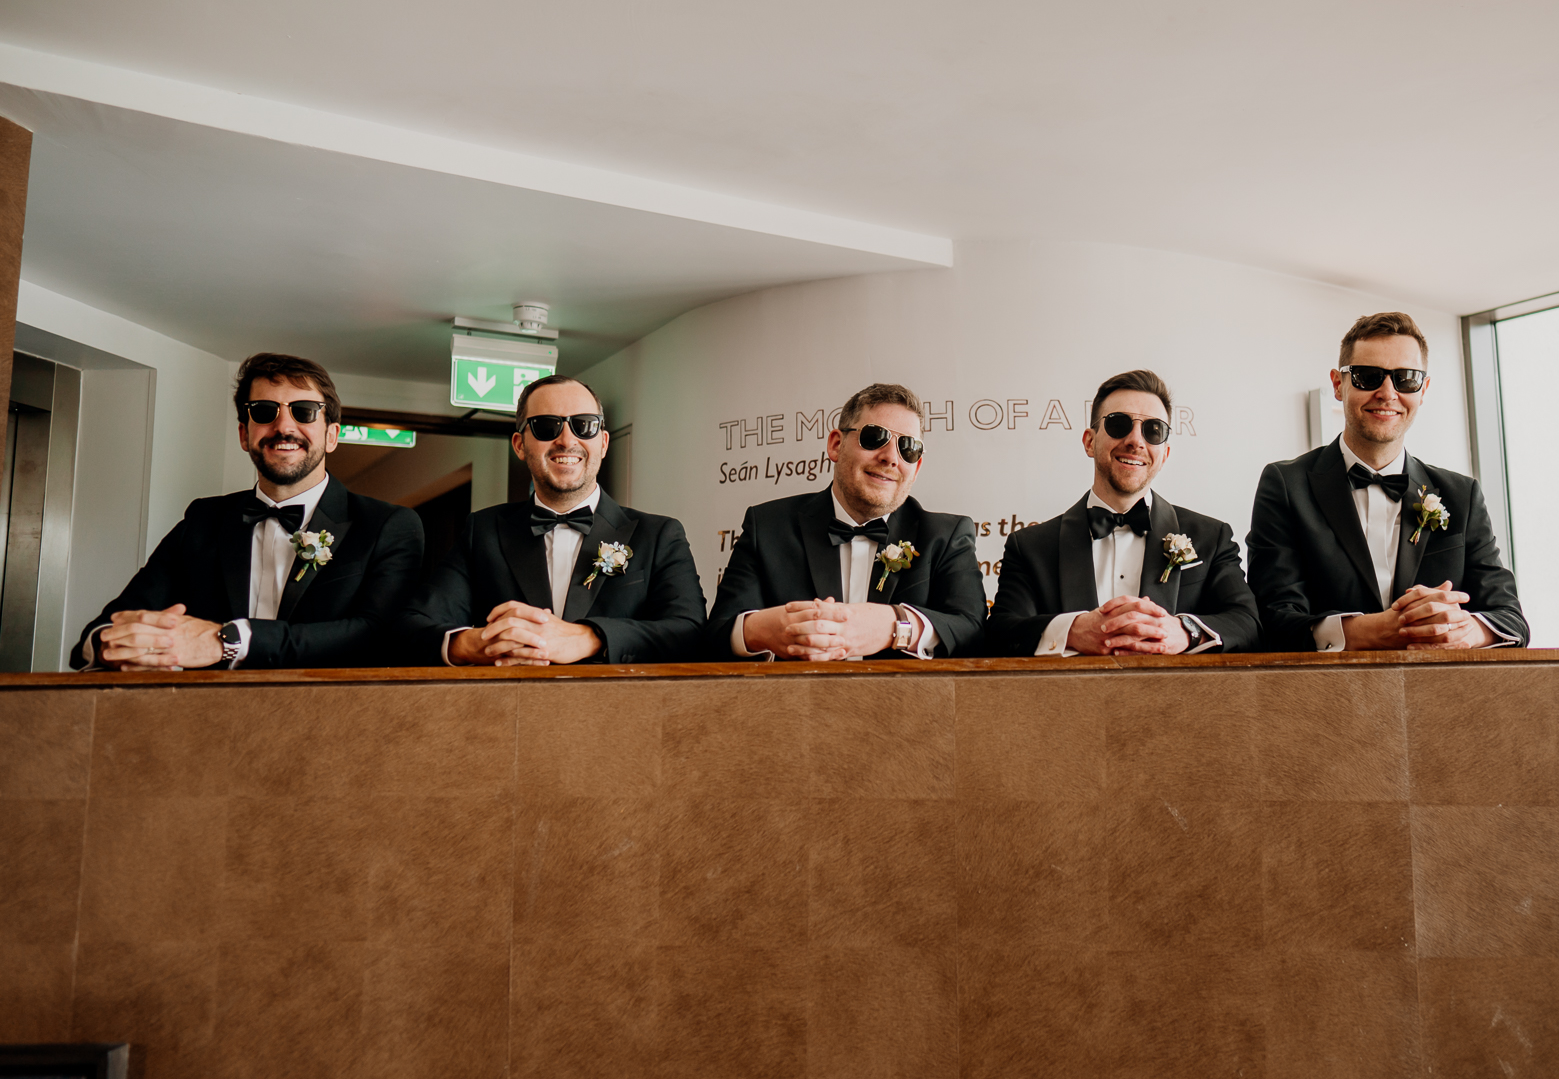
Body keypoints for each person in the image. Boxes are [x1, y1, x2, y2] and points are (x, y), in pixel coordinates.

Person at [70, 353, 424, 669]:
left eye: (303, 411)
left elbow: (378, 636)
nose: (284, 427)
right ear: (244, 434)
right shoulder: (203, 520)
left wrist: (230, 641)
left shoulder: (387, 526)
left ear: (331, 435)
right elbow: (108, 627)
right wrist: (111, 648)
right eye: (264, 412)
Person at [1248, 313, 1528, 651]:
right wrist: (1373, 630)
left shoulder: (1461, 494)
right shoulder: (1285, 484)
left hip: (1439, 696)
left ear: (1423, 390)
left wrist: (1463, 630)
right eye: (1368, 377)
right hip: (1327, 696)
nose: (1387, 393)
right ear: (1339, 384)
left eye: (1405, 379)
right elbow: (1272, 618)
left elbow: (1511, 619)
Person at [398, 374, 706, 665]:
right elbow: (413, 625)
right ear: (520, 445)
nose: (566, 439)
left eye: (584, 425)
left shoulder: (660, 534)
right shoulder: (484, 531)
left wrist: (591, 637)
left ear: (603, 442)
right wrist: (474, 643)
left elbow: (690, 632)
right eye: (547, 426)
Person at [983, 369, 1259, 656]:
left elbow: (1248, 623)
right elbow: (1001, 634)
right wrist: (1072, 632)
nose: (1136, 441)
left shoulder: (1212, 537)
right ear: (1090, 442)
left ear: (1164, 454)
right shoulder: (1030, 547)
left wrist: (1184, 632)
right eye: (1119, 424)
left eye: (1153, 430)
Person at [705, 382, 986, 660]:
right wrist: (759, 631)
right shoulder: (766, 526)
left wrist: (896, 625)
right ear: (836, 445)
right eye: (875, 437)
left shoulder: (947, 536)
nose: (891, 458)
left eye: (907, 448)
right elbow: (715, 636)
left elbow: (975, 633)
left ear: (916, 468)